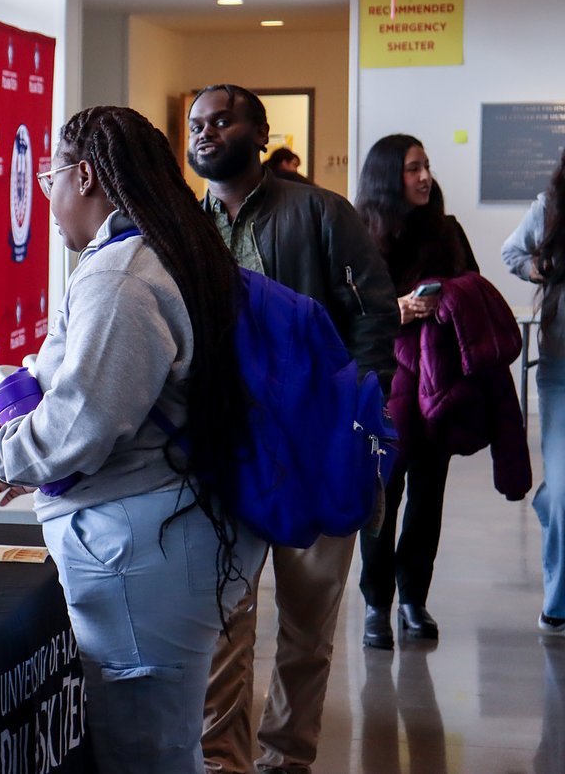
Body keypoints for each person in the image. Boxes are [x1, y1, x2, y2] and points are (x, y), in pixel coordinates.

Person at [0, 105, 267, 771]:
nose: (46, 197)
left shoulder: (122, 275)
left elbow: (80, 428)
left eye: (49, 180)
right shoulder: (169, 250)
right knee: (164, 742)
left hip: (145, 552)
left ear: (85, 177)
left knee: (145, 752)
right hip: (175, 530)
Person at [186, 83, 399, 774]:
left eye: (221, 120)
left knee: (306, 628)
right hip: (227, 451)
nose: (205, 133)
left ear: (259, 130)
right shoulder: (186, 229)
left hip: (315, 448)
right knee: (225, 628)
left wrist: (355, 413)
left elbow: (376, 315)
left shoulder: (319, 212)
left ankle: (286, 761)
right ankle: (223, 762)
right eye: (195, 124)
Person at [355, 133, 529, 648]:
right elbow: (350, 308)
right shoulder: (361, 235)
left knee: (429, 495)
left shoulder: (446, 230)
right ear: (389, 176)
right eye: (413, 168)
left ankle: (413, 598)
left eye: (426, 166)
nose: (425, 176)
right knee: (383, 496)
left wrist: (449, 297)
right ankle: (375, 603)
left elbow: (473, 285)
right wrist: (400, 309)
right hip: (385, 383)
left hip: (438, 384)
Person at [502, 148, 565, 637]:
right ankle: (558, 603)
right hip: (562, 367)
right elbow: (512, 253)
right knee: (562, 493)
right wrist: (541, 269)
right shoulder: (550, 206)